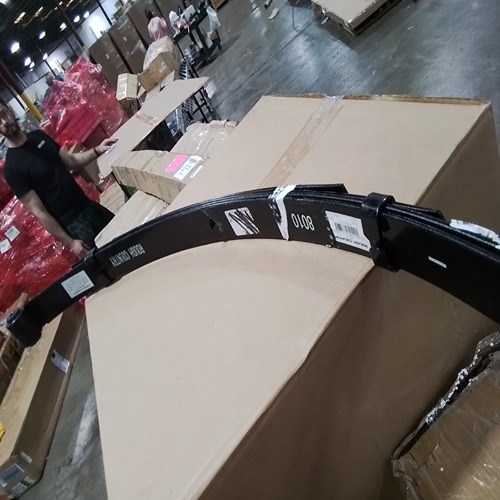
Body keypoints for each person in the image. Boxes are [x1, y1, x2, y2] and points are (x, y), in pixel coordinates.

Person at [0, 99, 116, 259]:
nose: (4, 122)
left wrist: (97, 150)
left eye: (3, 114)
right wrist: (71, 243)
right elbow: (38, 211)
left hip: (88, 206)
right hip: (74, 226)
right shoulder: (12, 168)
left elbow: (71, 161)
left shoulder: (38, 136)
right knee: (112, 262)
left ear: (11, 110)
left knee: (126, 236)